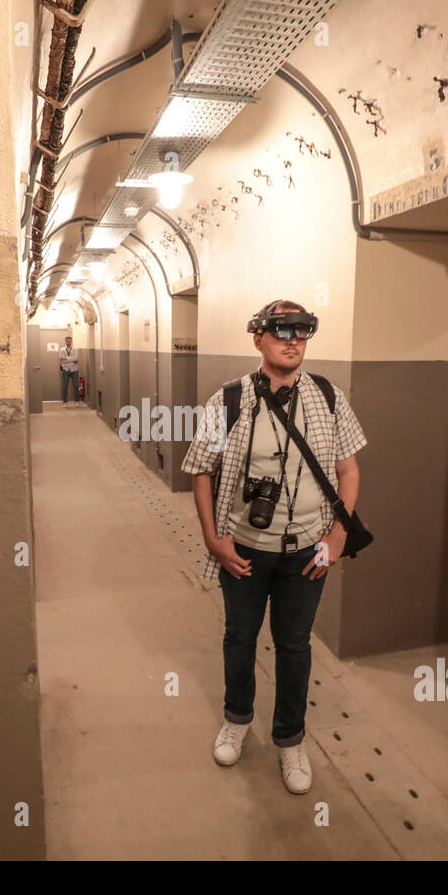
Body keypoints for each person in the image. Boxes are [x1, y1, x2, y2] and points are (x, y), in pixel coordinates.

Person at [181, 299, 367, 794]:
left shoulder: (329, 397)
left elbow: (348, 470)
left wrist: (338, 535)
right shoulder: (228, 400)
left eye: (302, 333)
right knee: (240, 638)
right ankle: (237, 720)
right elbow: (201, 470)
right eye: (281, 331)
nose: (293, 341)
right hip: (243, 550)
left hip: (309, 549)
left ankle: (290, 740)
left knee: (295, 646)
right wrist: (213, 539)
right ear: (258, 337)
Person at [59, 335, 81, 407]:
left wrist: (66, 359)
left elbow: (76, 359)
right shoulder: (62, 350)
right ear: (65, 341)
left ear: (71, 341)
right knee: (64, 386)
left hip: (74, 370)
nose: (69, 342)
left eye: (70, 341)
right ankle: (65, 402)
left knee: (75, 386)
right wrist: (71, 359)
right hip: (65, 369)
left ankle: (77, 401)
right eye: (67, 341)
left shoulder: (75, 349)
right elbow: (61, 360)